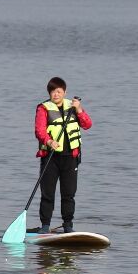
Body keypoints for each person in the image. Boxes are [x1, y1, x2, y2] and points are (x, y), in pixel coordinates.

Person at [33, 77, 92, 234]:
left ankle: (68, 226)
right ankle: (45, 226)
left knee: (69, 193)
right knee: (47, 193)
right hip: (51, 158)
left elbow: (87, 124)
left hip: (70, 158)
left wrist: (79, 110)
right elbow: (39, 131)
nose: (56, 94)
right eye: (53, 91)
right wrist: (49, 141)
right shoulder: (43, 108)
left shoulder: (73, 107)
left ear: (64, 92)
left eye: (59, 91)